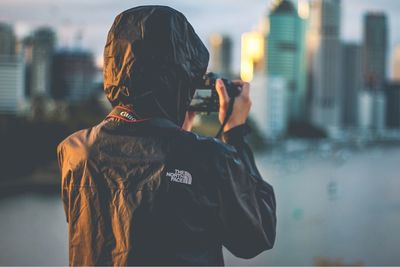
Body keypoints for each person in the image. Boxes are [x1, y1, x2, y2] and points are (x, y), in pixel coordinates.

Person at [57, 5, 276, 266]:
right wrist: (235, 131)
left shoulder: (74, 150)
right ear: (179, 78)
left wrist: (177, 130)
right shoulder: (208, 159)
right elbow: (255, 235)